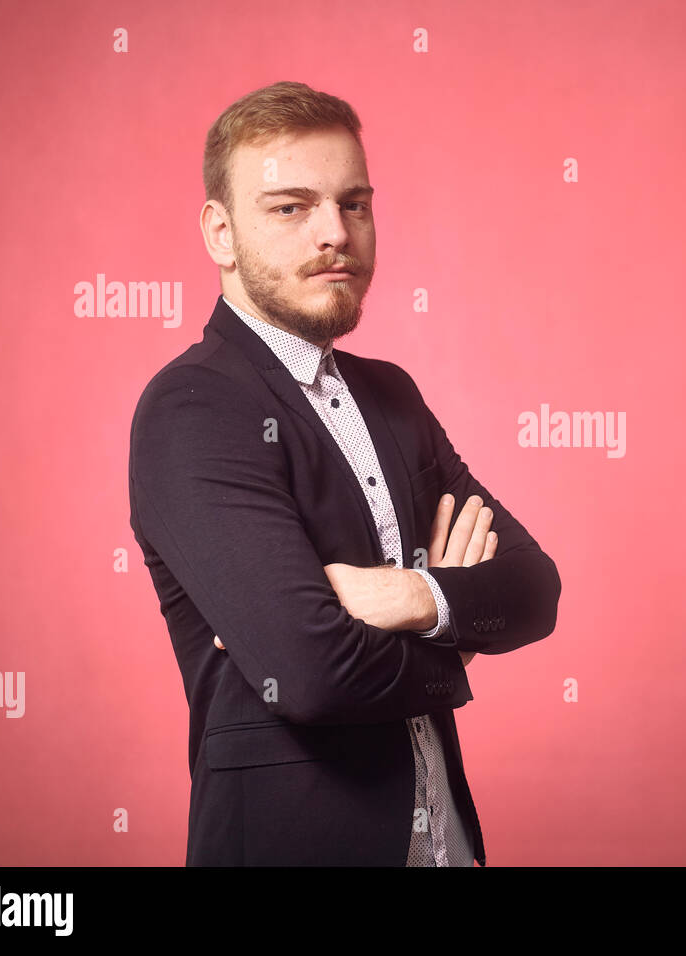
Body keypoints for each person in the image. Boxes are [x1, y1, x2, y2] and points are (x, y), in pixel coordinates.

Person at [127, 80, 561, 866]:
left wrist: (407, 595)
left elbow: (535, 590)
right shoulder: (192, 409)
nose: (336, 233)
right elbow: (310, 673)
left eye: (353, 204)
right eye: (291, 208)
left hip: (447, 844)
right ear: (220, 233)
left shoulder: (390, 395)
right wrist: (456, 640)